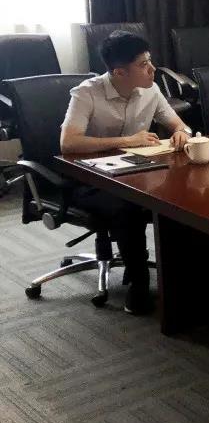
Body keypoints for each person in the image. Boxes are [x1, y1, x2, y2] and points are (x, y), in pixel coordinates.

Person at [60, 30, 192, 314]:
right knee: (127, 207)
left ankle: (184, 278)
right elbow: (68, 142)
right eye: (143, 64)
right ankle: (139, 282)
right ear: (119, 72)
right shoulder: (87, 93)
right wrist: (126, 141)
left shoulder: (151, 89)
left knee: (181, 193)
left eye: (150, 61)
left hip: (137, 173)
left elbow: (178, 124)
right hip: (90, 180)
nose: (152, 69)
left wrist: (182, 132)